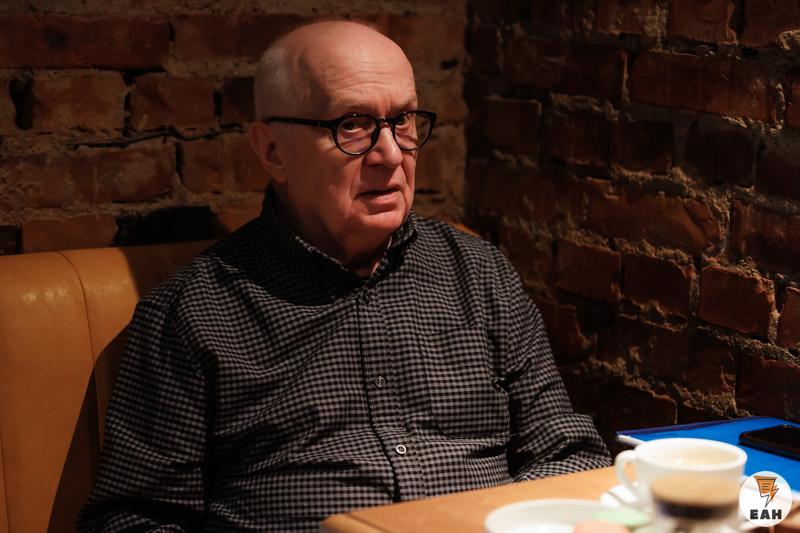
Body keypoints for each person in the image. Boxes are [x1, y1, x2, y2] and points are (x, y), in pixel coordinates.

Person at [78, 20, 610, 532]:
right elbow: (131, 521)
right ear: (272, 151)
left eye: (403, 120)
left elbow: (568, 453)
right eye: (352, 124)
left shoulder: (479, 273)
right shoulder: (194, 314)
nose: (390, 154)